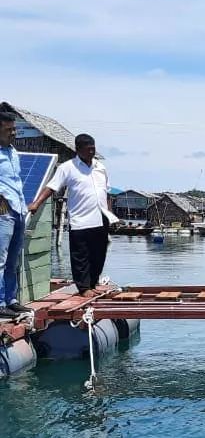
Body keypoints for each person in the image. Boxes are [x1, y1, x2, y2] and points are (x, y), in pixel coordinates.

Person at [29, 133, 118, 297]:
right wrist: (36, 203)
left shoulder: (100, 167)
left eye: (93, 149)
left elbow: (107, 192)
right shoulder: (67, 168)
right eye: (88, 149)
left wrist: (110, 213)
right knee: (80, 256)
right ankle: (83, 288)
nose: (92, 152)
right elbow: (52, 187)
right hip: (80, 219)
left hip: (101, 217)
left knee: (99, 254)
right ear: (78, 150)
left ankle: (92, 283)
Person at [0, 112, 30, 319]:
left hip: (18, 209)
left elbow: (16, 182)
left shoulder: (13, 152)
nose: (13, 133)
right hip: (2, 212)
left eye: (14, 129)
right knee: (0, 260)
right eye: (8, 129)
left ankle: (11, 300)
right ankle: (0, 302)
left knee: (13, 260)